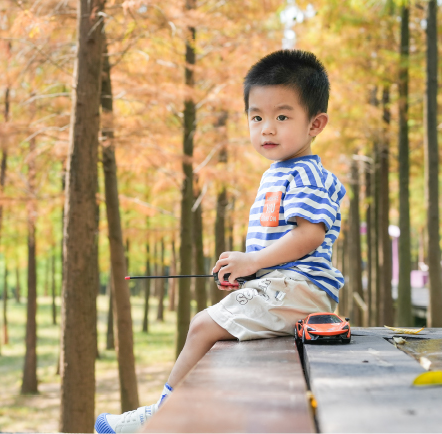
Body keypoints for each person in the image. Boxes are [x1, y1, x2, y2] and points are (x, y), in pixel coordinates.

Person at [95, 49, 346, 434]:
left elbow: (310, 235)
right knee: (208, 328)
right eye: (256, 117)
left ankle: (160, 415)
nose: (267, 129)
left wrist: (253, 261)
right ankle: (176, 412)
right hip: (284, 286)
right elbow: (280, 249)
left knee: (202, 325)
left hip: (300, 290)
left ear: (316, 124)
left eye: (282, 117)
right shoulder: (279, 172)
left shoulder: (305, 175)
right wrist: (249, 273)